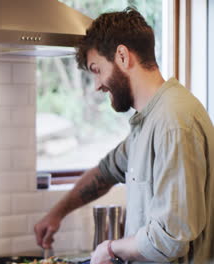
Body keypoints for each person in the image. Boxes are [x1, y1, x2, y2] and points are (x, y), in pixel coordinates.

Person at [34, 7, 214, 264]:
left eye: (96, 70)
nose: (97, 85)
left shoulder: (173, 121)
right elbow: (106, 171)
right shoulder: (150, 119)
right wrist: (56, 213)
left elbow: (169, 239)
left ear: (122, 56)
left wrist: (110, 248)